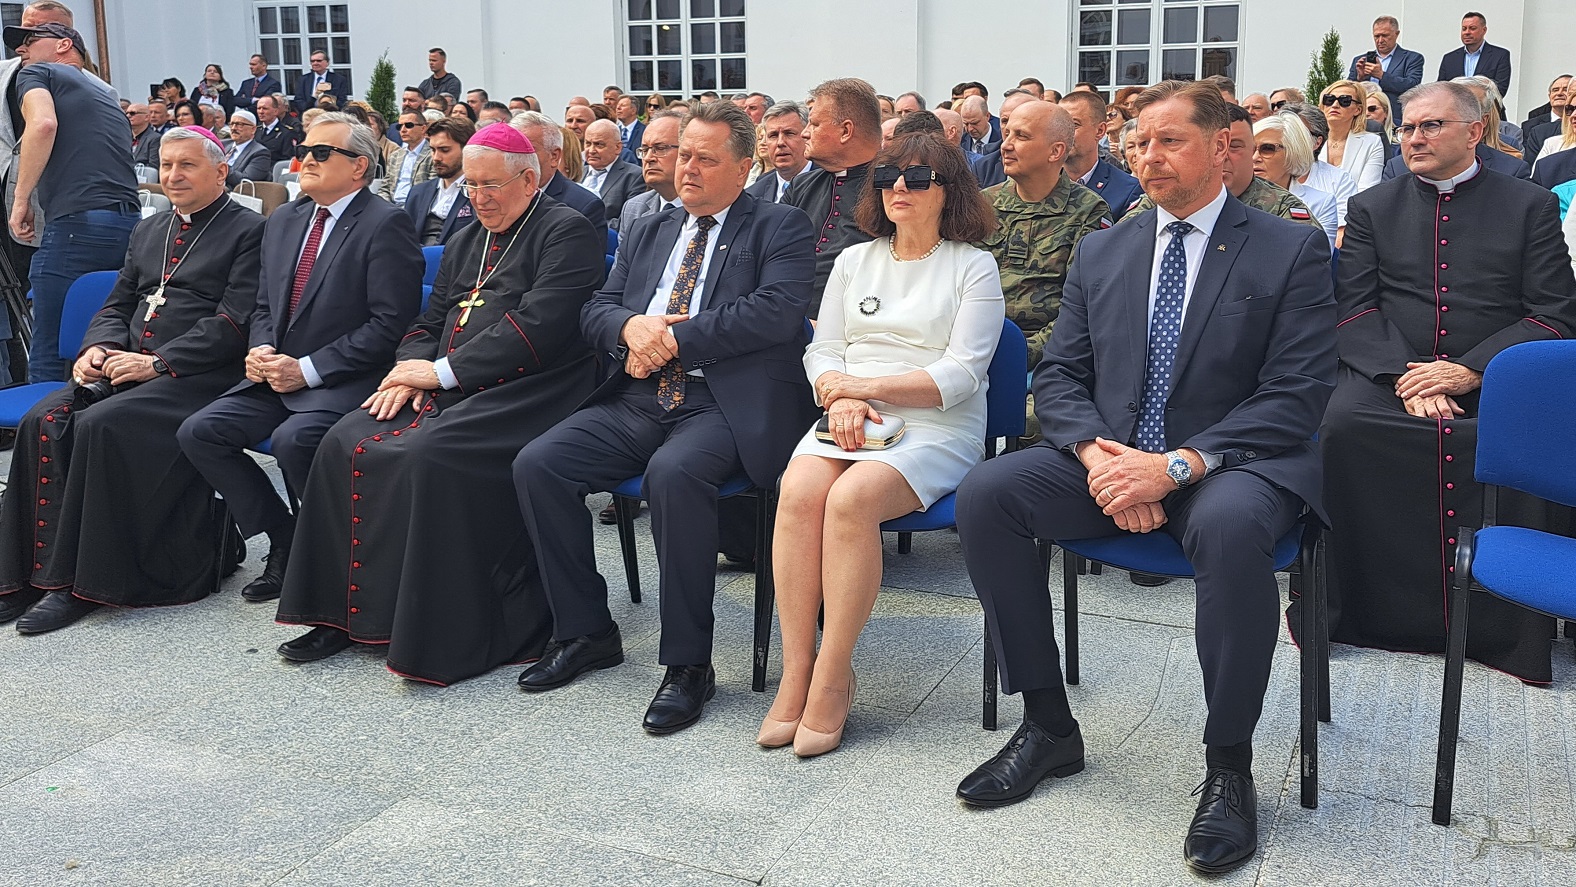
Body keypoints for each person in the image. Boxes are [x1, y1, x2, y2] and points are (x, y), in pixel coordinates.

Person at [952, 80, 1336, 877]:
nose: (1147, 156)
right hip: (1118, 457)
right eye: (1138, 143)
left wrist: (1173, 467)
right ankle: (1049, 724)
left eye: (1168, 141)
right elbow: (1063, 374)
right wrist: (1101, 461)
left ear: (1221, 148)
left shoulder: (1288, 247)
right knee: (989, 493)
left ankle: (1228, 764)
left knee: (1230, 525)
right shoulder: (1106, 248)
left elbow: (1295, 393)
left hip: (1231, 463)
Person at [512, 101, 817, 735]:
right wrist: (631, 327)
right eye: (684, 155)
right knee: (540, 464)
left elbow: (777, 311)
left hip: (723, 401)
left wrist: (675, 339)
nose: (688, 169)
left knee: (673, 476)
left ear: (744, 166)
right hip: (638, 396)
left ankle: (687, 664)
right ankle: (585, 631)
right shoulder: (651, 227)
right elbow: (596, 307)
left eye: (706, 159)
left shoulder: (779, 224)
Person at [274, 124, 602, 679]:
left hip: (531, 388)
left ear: (529, 180)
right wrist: (408, 372)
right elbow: (429, 320)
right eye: (470, 186)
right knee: (341, 440)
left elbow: (539, 326)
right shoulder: (469, 237)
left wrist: (440, 373)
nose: (478, 198)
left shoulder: (566, 230)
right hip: (446, 381)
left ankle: (439, 631)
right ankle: (342, 615)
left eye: (491, 186)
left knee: (429, 455)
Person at [1315, 81, 1576, 685]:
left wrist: (1472, 369)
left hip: (1496, 373)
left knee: (1519, 446)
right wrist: (1410, 377)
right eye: (1407, 128)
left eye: (1431, 126)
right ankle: (1360, 613)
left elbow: (1553, 312)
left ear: (1475, 131)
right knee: (1343, 426)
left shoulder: (1530, 205)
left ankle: (1506, 630)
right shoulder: (1373, 206)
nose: (1414, 138)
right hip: (1394, 370)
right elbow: (1354, 309)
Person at [760, 132, 1004, 757]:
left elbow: (961, 374)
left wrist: (861, 389)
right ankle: (796, 670)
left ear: (948, 190)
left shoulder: (973, 266)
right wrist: (839, 396)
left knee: (852, 500)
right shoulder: (853, 260)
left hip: (937, 423)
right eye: (888, 176)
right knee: (799, 491)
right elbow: (823, 349)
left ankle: (833, 675)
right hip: (848, 413)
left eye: (917, 178)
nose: (898, 187)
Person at [0, 127, 264, 631]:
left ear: (220, 172)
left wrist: (158, 362)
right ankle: (28, 576)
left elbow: (234, 322)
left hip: (199, 375)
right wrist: (96, 348)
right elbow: (118, 303)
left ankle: (79, 584)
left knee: (100, 425)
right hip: (129, 368)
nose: (173, 176)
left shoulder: (250, 230)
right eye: (166, 166)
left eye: (186, 165)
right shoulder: (149, 229)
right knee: (43, 418)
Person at [177, 112, 424, 605]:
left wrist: (307, 370)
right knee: (200, 432)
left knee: (295, 441)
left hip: (343, 378)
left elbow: (388, 325)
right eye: (304, 150)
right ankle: (285, 539)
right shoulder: (286, 219)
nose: (306, 160)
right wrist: (260, 348)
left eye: (321, 153)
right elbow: (264, 304)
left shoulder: (384, 223)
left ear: (359, 166)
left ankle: (332, 557)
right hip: (276, 374)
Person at [6, 21, 139, 383]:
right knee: (104, 343)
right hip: (128, 225)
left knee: (48, 351)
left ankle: (42, 421)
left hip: (77, 224)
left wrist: (20, 200)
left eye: (29, 41)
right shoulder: (105, 94)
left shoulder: (38, 72)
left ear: (64, 45)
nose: (21, 51)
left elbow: (43, 125)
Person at [975, 102, 1109, 371]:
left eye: (1021, 136)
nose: (1006, 145)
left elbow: (1082, 308)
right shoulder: (983, 205)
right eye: (1007, 134)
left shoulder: (1088, 211)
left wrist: (1019, 354)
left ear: (1055, 151)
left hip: (1049, 358)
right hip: (975, 344)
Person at [783, 78, 882, 318]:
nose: (805, 133)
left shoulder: (894, 188)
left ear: (846, 131)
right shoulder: (801, 185)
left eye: (814, 124)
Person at [511, 111, 608, 247]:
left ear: (554, 156)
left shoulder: (583, 207)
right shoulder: (497, 196)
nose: (515, 159)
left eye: (527, 150)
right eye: (511, 151)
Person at [1252, 114, 1340, 245]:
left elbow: (1320, 253)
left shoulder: (1321, 203)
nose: (1254, 157)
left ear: (1293, 153)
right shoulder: (1230, 195)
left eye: (1268, 149)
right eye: (1250, 148)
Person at [1058, 91, 1143, 220]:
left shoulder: (1127, 190)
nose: (1062, 133)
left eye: (1074, 125)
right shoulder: (1037, 183)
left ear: (1100, 131)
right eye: (1059, 126)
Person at [402, 115, 475, 246]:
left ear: (466, 149)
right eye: (432, 150)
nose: (436, 157)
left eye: (444, 150)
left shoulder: (478, 193)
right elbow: (404, 240)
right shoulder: (418, 193)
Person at [617, 110, 684, 233]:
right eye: (644, 149)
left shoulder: (709, 209)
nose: (648, 158)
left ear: (686, 152)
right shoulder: (634, 208)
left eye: (660, 148)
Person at [1347, 15, 1424, 119]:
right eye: (1376, 36)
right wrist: (1360, 79)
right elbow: (1348, 90)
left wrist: (1382, 75)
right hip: (1362, 116)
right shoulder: (1360, 60)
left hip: (1395, 116)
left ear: (1397, 34)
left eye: (1385, 35)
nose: (1380, 40)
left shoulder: (1412, 58)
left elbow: (1413, 86)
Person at [1319, 80, 1384, 191]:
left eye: (1344, 101)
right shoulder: (1309, 141)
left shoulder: (1372, 143)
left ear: (1358, 110)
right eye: (1329, 100)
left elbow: (1366, 191)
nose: (1335, 105)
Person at [580, 118, 647, 225]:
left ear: (618, 147)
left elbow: (626, 222)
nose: (591, 150)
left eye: (599, 144)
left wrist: (585, 227)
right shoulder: (577, 173)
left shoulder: (634, 176)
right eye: (588, 144)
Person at [745, 101, 813, 203]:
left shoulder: (830, 183)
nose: (780, 142)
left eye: (789, 133)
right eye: (773, 135)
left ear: (807, 136)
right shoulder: (753, 194)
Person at [1437, 12, 1511, 98]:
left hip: (1486, 106)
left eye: (1472, 28)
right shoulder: (1449, 59)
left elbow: (1500, 90)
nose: (1467, 32)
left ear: (1484, 30)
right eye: (1464, 29)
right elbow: (1441, 89)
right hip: (1456, 106)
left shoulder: (1500, 55)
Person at [379, 110, 432, 206]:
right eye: (399, 126)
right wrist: (385, 206)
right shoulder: (396, 155)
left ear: (423, 128)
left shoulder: (433, 154)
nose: (403, 130)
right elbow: (385, 187)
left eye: (409, 125)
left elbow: (432, 189)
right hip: (391, 207)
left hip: (417, 207)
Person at [222, 110, 271, 187]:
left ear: (253, 129)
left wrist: (221, 167)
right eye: (231, 124)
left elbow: (246, 181)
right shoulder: (223, 144)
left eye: (240, 125)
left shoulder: (260, 152)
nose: (233, 128)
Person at [254, 94, 298, 164]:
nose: (261, 112)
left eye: (265, 108)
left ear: (275, 111)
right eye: (259, 108)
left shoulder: (287, 133)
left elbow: (287, 160)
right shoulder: (255, 131)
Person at [127, 102, 162, 169]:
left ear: (146, 117)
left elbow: (153, 166)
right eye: (126, 113)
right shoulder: (124, 138)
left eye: (132, 113)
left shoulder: (155, 139)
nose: (128, 116)